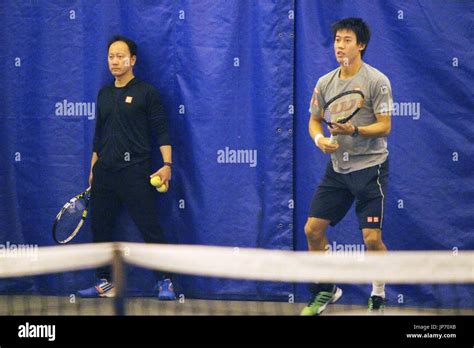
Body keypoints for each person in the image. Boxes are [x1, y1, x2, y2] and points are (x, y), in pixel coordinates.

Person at [300, 18, 392, 315]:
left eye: (347, 40)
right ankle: (327, 289)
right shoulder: (325, 83)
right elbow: (314, 119)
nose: (340, 45)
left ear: (361, 45)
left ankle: (377, 292)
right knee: (313, 230)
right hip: (337, 170)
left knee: (371, 239)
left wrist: (354, 130)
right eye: (337, 39)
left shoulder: (377, 81)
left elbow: (385, 126)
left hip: (370, 168)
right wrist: (319, 140)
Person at [77, 35, 175, 300]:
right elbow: (99, 136)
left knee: (149, 227)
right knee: (101, 228)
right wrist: (93, 171)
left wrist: (167, 165)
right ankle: (105, 282)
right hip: (105, 174)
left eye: (120, 56)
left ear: (132, 60)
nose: (115, 61)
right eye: (111, 56)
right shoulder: (104, 94)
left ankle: (165, 281)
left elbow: (161, 131)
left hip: (135, 172)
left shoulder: (147, 92)